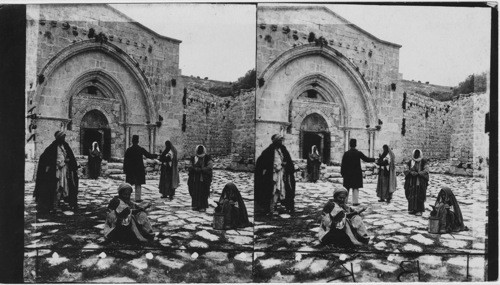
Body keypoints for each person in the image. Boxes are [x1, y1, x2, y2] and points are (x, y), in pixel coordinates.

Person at [33, 131, 79, 213]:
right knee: (57, 188)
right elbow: (45, 157)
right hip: (56, 171)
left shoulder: (65, 146)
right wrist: (62, 161)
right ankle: (54, 205)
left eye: (64, 137)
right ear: (59, 138)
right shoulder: (53, 147)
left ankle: (61, 203)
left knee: (65, 188)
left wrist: (70, 162)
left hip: (65, 171)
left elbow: (70, 156)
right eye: (62, 137)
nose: (64, 139)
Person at [254, 134, 296, 215]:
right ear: (275, 141)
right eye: (279, 140)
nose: (281, 142)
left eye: (281, 140)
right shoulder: (269, 151)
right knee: (274, 191)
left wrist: (286, 165)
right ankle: (271, 208)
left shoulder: (283, 149)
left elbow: (288, 160)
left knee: (283, 190)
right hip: (273, 175)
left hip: (282, 175)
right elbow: (261, 162)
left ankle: (288, 207)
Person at [340, 138, 375, 206]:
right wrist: (374, 159)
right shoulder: (358, 153)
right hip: (356, 174)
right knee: (355, 188)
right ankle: (355, 202)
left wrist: (342, 173)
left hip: (348, 174)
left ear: (350, 144)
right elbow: (366, 159)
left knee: (346, 188)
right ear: (355, 145)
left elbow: (343, 164)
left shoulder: (346, 153)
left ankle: (345, 201)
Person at [123, 135, 158, 203]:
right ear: (138, 141)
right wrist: (156, 155)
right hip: (138, 169)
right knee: (138, 184)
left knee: (128, 184)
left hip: (130, 169)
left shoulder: (129, 150)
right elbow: (148, 155)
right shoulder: (140, 149)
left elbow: (125, 160)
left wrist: (125, 169)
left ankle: (127, 198)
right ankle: (137, 198)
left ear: (132, 141)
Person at [404, 149, 429, 216]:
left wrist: (418, 173)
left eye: (417, 154)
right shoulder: (410, 162)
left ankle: (419, 210)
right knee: (411, 194)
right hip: (411, 182)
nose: (416, 155)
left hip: (420, 182)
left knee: (420, 195)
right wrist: (411, 172)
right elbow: (406, 169)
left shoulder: (423, 161)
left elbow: (426, 170)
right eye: (415, 154)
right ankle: (412, 209)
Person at [187, 145, 213, 212]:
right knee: (194, 192)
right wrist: (194, 169)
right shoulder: (193, 158)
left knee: (203, 192)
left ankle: (202, 206)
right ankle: (195, 205)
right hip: (195, 179)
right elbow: (190, 166)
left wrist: (201, 169)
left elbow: (210, 166)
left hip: (203, 179)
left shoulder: (207, 158)